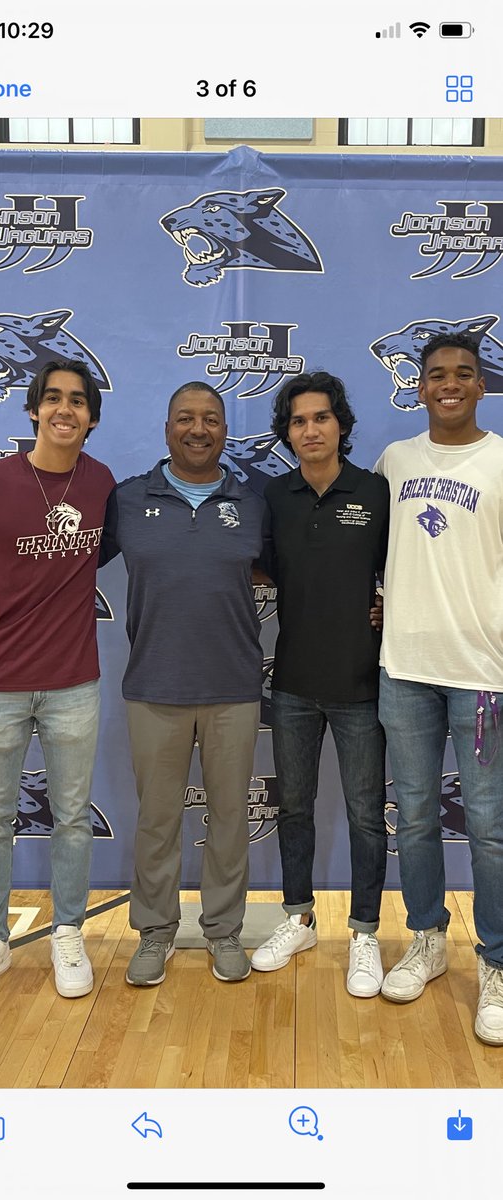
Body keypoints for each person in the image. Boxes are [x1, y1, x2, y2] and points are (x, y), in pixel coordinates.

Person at [0, 361, 115, 1009]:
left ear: (92, 417)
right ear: (32, 410)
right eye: (53, 399)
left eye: (77, 401)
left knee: (72, 817)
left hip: (74, 683)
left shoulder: (102, 484)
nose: (64, 409)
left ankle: (67, 931)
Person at [99, 381, 267, 986]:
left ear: (224, 429)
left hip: (233, 687)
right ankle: (155, 931)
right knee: (157, 819)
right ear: (167, 427)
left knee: (229, 817)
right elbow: (62, 566)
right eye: (186, 418)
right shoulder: (126, 500)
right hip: (154, 685)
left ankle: (223, 930)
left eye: (211, 419)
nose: (199, 429)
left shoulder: (254, 503)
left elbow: (303, 572)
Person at [376, 332, 503, 1045]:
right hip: (406, 669)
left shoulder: (501, 459)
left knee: (488, 827)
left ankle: (498, 962)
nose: (449, 384)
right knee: (417, 817)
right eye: (436, 375)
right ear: (420, 387)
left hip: (483, 675)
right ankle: (426, 937)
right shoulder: (395, 460)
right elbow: (370, 549)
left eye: (463, 373)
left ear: (481, 384)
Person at [251, 372, 389, 997]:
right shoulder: (274, 498)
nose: (311, 430)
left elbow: (407, 569)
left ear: (341, 425)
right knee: (295, 808)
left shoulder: (376, 492)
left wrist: (390, 605)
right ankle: (299, 919)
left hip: (361, 685)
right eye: (298, 421)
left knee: (365, 815)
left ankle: (365, 932)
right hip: (293, 685)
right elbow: (259, 571)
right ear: (287, 433)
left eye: (321, 418)